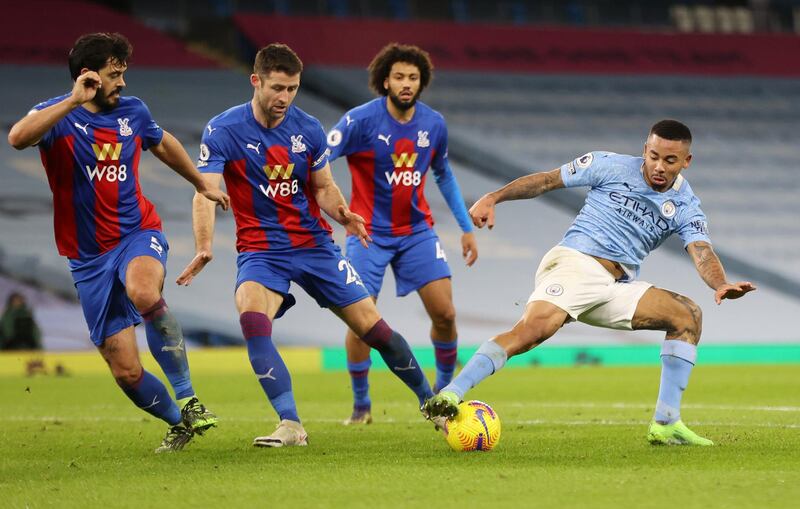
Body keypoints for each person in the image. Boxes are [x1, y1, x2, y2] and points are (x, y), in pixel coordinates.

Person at [423, 119, 756, 445]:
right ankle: (451, 395)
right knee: (532, 332)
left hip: (616, 285)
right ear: (645, 149)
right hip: (575, 264)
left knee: (687, 316)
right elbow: (545, 181)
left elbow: (701, 251)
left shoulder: (685, 205)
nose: (658, 166)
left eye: (670, 161)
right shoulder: (607, 165)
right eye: (653, 156)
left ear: (686, 161)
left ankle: (666, 424)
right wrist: (494, 197)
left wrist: (720, 283)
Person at [176, 43, 434, 447]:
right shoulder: (223, 130)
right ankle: (290, 423)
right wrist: (204, 245)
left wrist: (344, 214)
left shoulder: (308, 129)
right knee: (251, 316)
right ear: (255, 81)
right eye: (277, 88)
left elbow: (324, 187)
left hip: (315, 246)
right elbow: (205, 192)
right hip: (261, 251)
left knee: (374, 328)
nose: (284, 98)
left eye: (292, 88)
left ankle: (432, 403)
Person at [7, 32, 230, 453]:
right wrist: (73, 101)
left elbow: (163, 144)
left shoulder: (134, 111)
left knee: (143, 290)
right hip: (87, 258)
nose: (122, 83)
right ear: (88, 76)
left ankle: (189, 397)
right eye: (114, 74)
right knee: (126, 371)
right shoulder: (57, 116)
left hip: (136, 232)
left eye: (123, 73)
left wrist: (202, 182)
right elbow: (17, 138)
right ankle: (178, 422)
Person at [326, 43, 477, 425]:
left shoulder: (433, 124)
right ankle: (361, 407)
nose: (407, 84)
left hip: (416, 233)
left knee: (445, 313)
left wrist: (465, 227)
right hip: (368, 235)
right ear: (385, 80)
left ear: (421, 81)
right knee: (361, 322)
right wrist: (338, 211)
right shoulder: (359, 121)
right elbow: (319, 161)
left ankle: (445, 394)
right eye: (399, 77)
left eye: (413, 77)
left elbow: (443, 174)